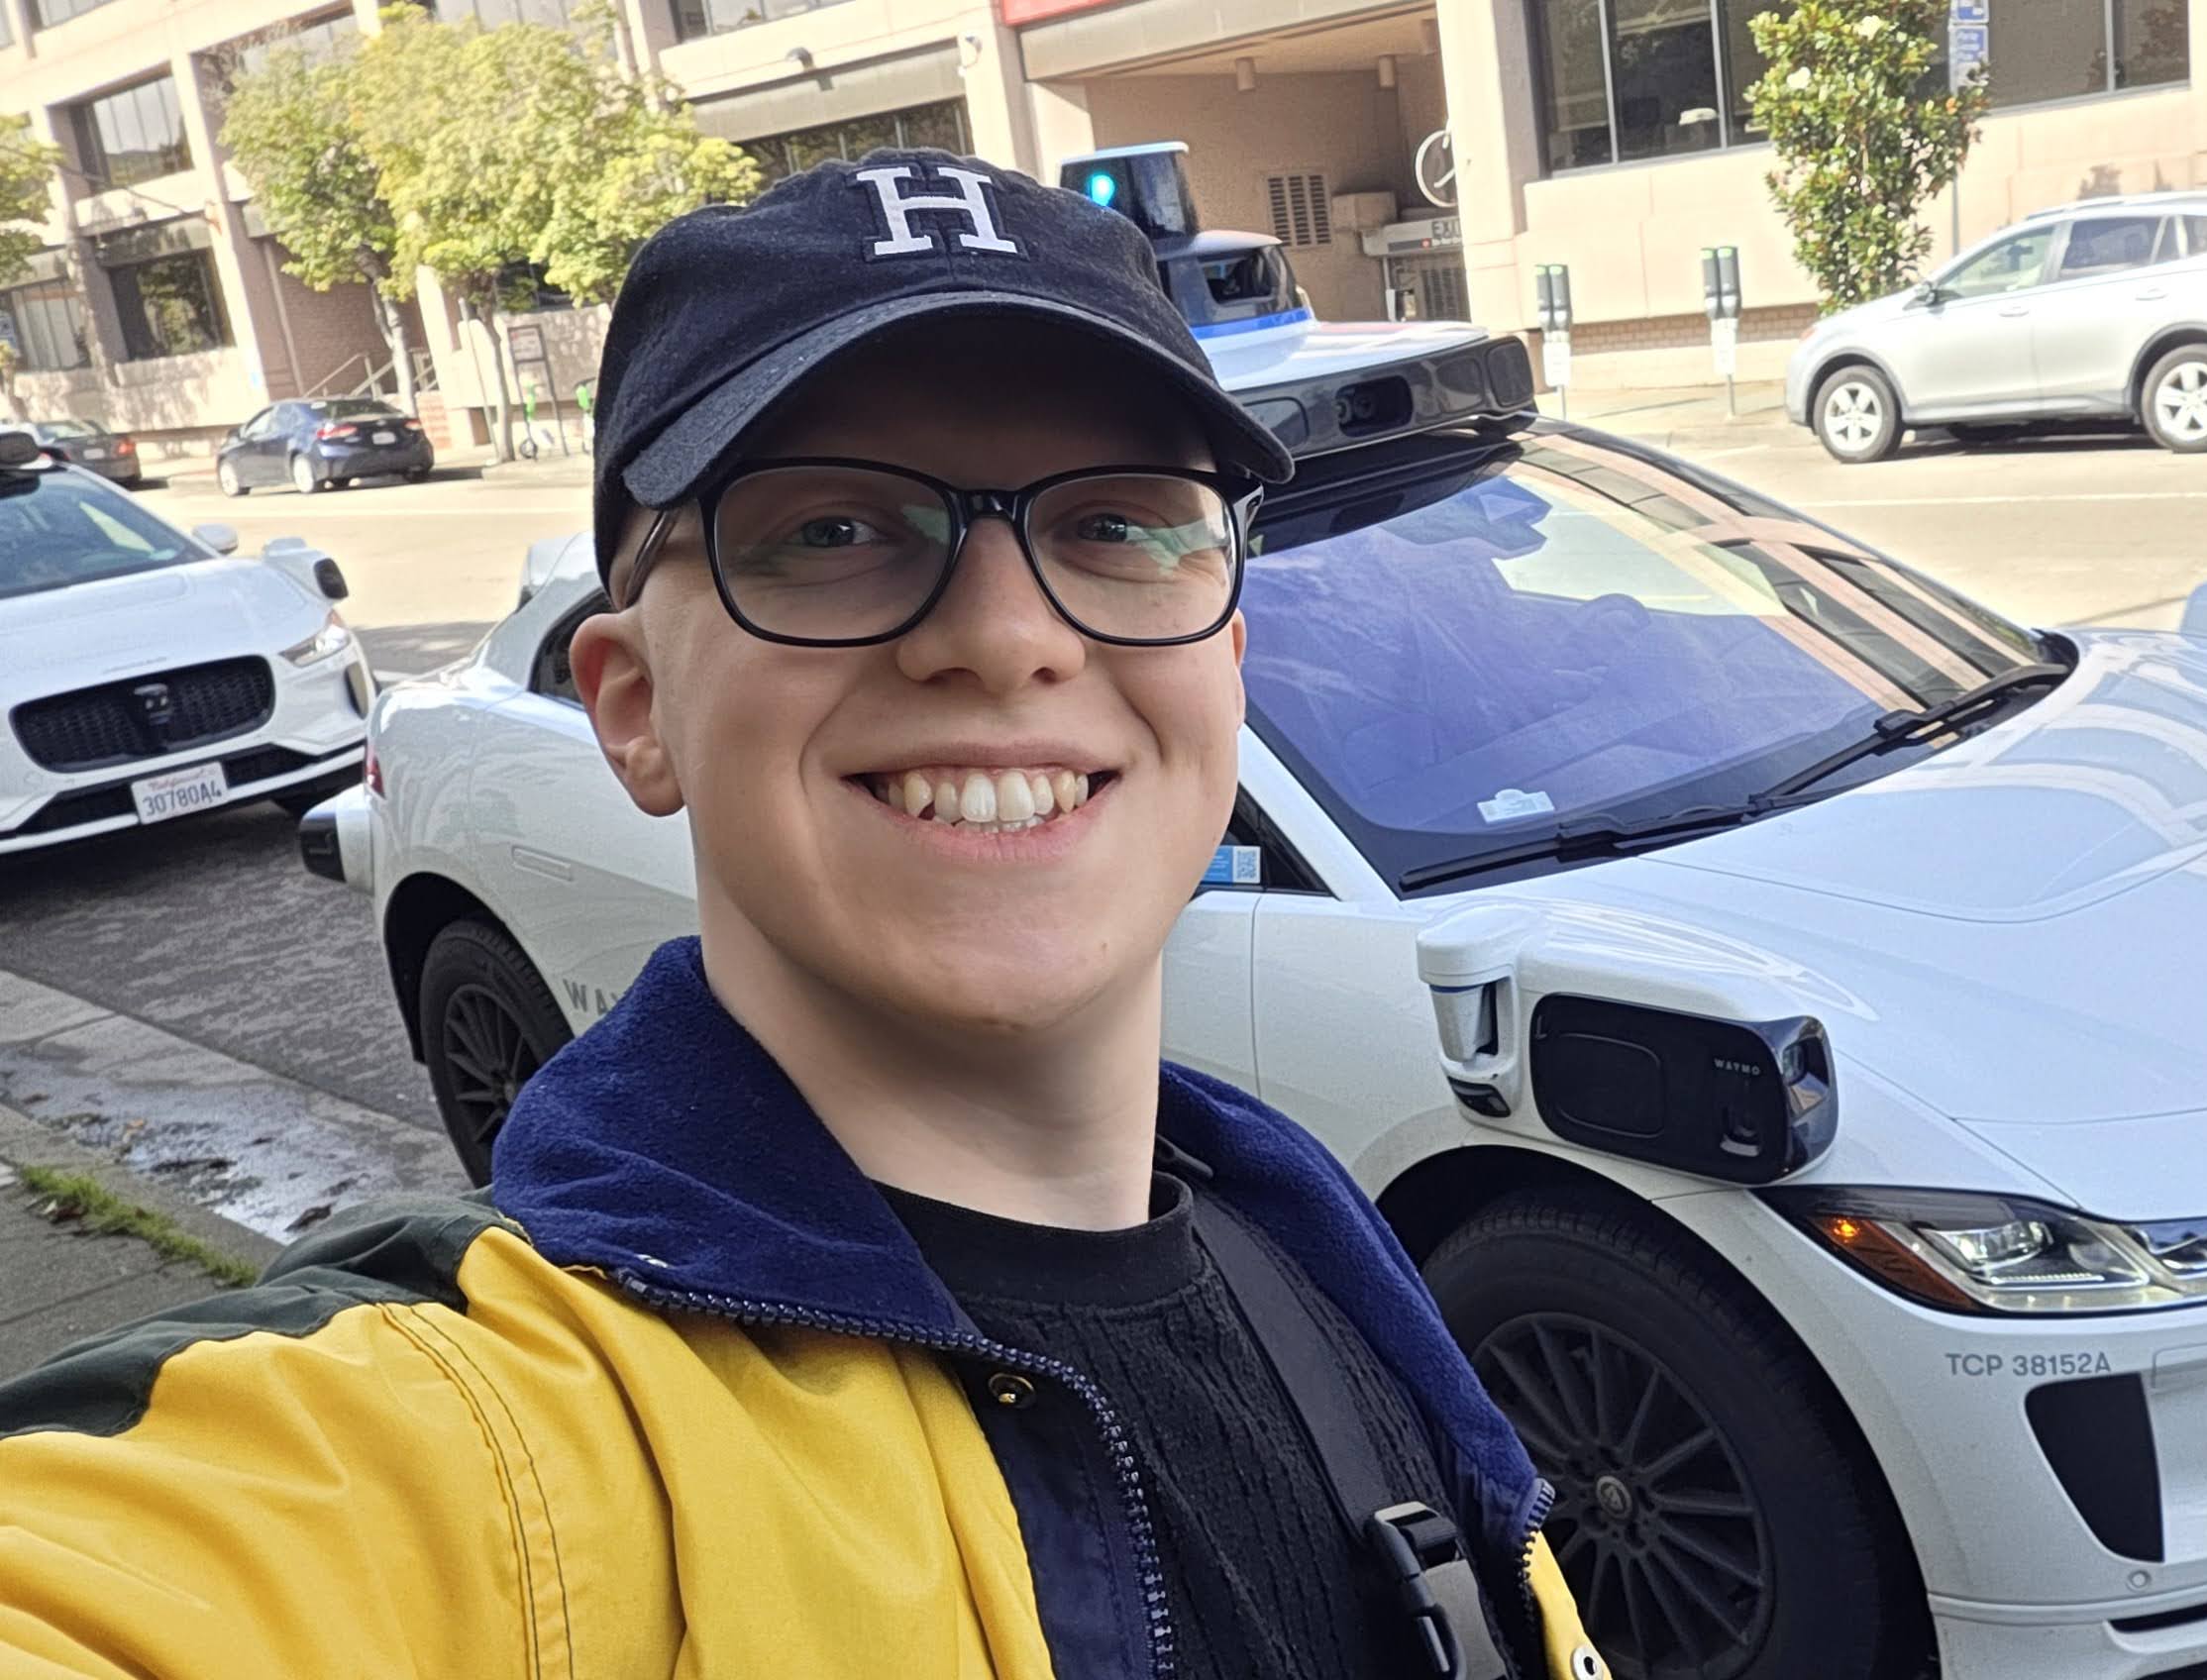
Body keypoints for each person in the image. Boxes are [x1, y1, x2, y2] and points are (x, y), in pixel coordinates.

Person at [0, 150, 1598, 1680]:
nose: (1007, 634)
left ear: (1224, 671)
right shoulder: (481, 1433)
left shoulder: (1307, 1253)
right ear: (635, 707)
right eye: (830, 531)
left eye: (1113, 523)